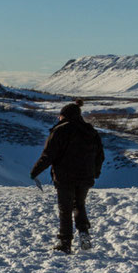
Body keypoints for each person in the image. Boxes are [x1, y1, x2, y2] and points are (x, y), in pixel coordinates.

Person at [30, 100, 105, 253]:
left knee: (65, 209)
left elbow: (48, 155)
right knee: (79, 205)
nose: (58, 118)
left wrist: (35, 171)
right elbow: (100, 156)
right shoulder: (90, 131)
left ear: (64, 115)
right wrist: (95, 172)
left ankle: (65, 243)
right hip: (86, 177)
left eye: (60, 116)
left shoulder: (60, 131)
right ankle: (84, 233)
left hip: (65, 177)